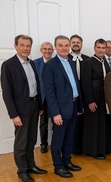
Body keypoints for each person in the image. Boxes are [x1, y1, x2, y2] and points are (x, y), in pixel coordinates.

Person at [1, 34, 47, 182]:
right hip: (20, 109)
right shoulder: (8, 65)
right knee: (21, 142)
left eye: (28, 46)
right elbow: (7, 93)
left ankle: (31, 165)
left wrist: (40, 105)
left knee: (32, 138)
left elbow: (36, 86)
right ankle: (22, 170)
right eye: (22, 45)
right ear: (15, 46)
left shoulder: (32, 63)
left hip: (34, 105)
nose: (25, 48)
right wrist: (13, 114)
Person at [43, 35, 83, 178]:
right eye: (61, 45)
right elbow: (49, 92)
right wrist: (55, 113)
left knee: (69, 138)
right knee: (58, 140)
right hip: (60, 110)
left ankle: (67, 161)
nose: (64, 48)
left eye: (66, 45)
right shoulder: (50, 65)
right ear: (56, 47)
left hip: (73, 106)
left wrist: (79, 106)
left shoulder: (71, 62)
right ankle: (58, 166)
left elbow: (75, 86)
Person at [81, 38, 111, 160]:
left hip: (105, 96)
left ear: (106, 49)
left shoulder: (105, 61)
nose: (101, 50)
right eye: (98, 47)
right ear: (94, 49)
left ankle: (105, 147)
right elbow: (86, 83)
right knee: (95, 124)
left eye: (103, 48)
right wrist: (90, 100)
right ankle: (95, 150)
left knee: (105, 122)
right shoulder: (88, 62)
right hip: (95, 97)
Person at [67, 34, 90, 156]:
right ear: (70, 44)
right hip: (71, 97)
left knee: (84, 122)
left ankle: (83, 146)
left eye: (78, 42)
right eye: (73, 42)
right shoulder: (65, 58)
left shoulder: (87, 59)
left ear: (81, 44)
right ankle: (72, 147)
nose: (76, 44)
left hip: (85, 96)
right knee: (72, 123)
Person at [33, 41, 54, 154]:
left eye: (49, 49)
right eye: (45, 49)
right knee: (43, 123)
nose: (47, 51)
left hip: (55, 98)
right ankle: (43, 144)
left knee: (57, 122)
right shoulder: (35, 63)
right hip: (42, 99)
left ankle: (56, 143)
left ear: (52, 50)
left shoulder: (57, 62)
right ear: (41, 50)